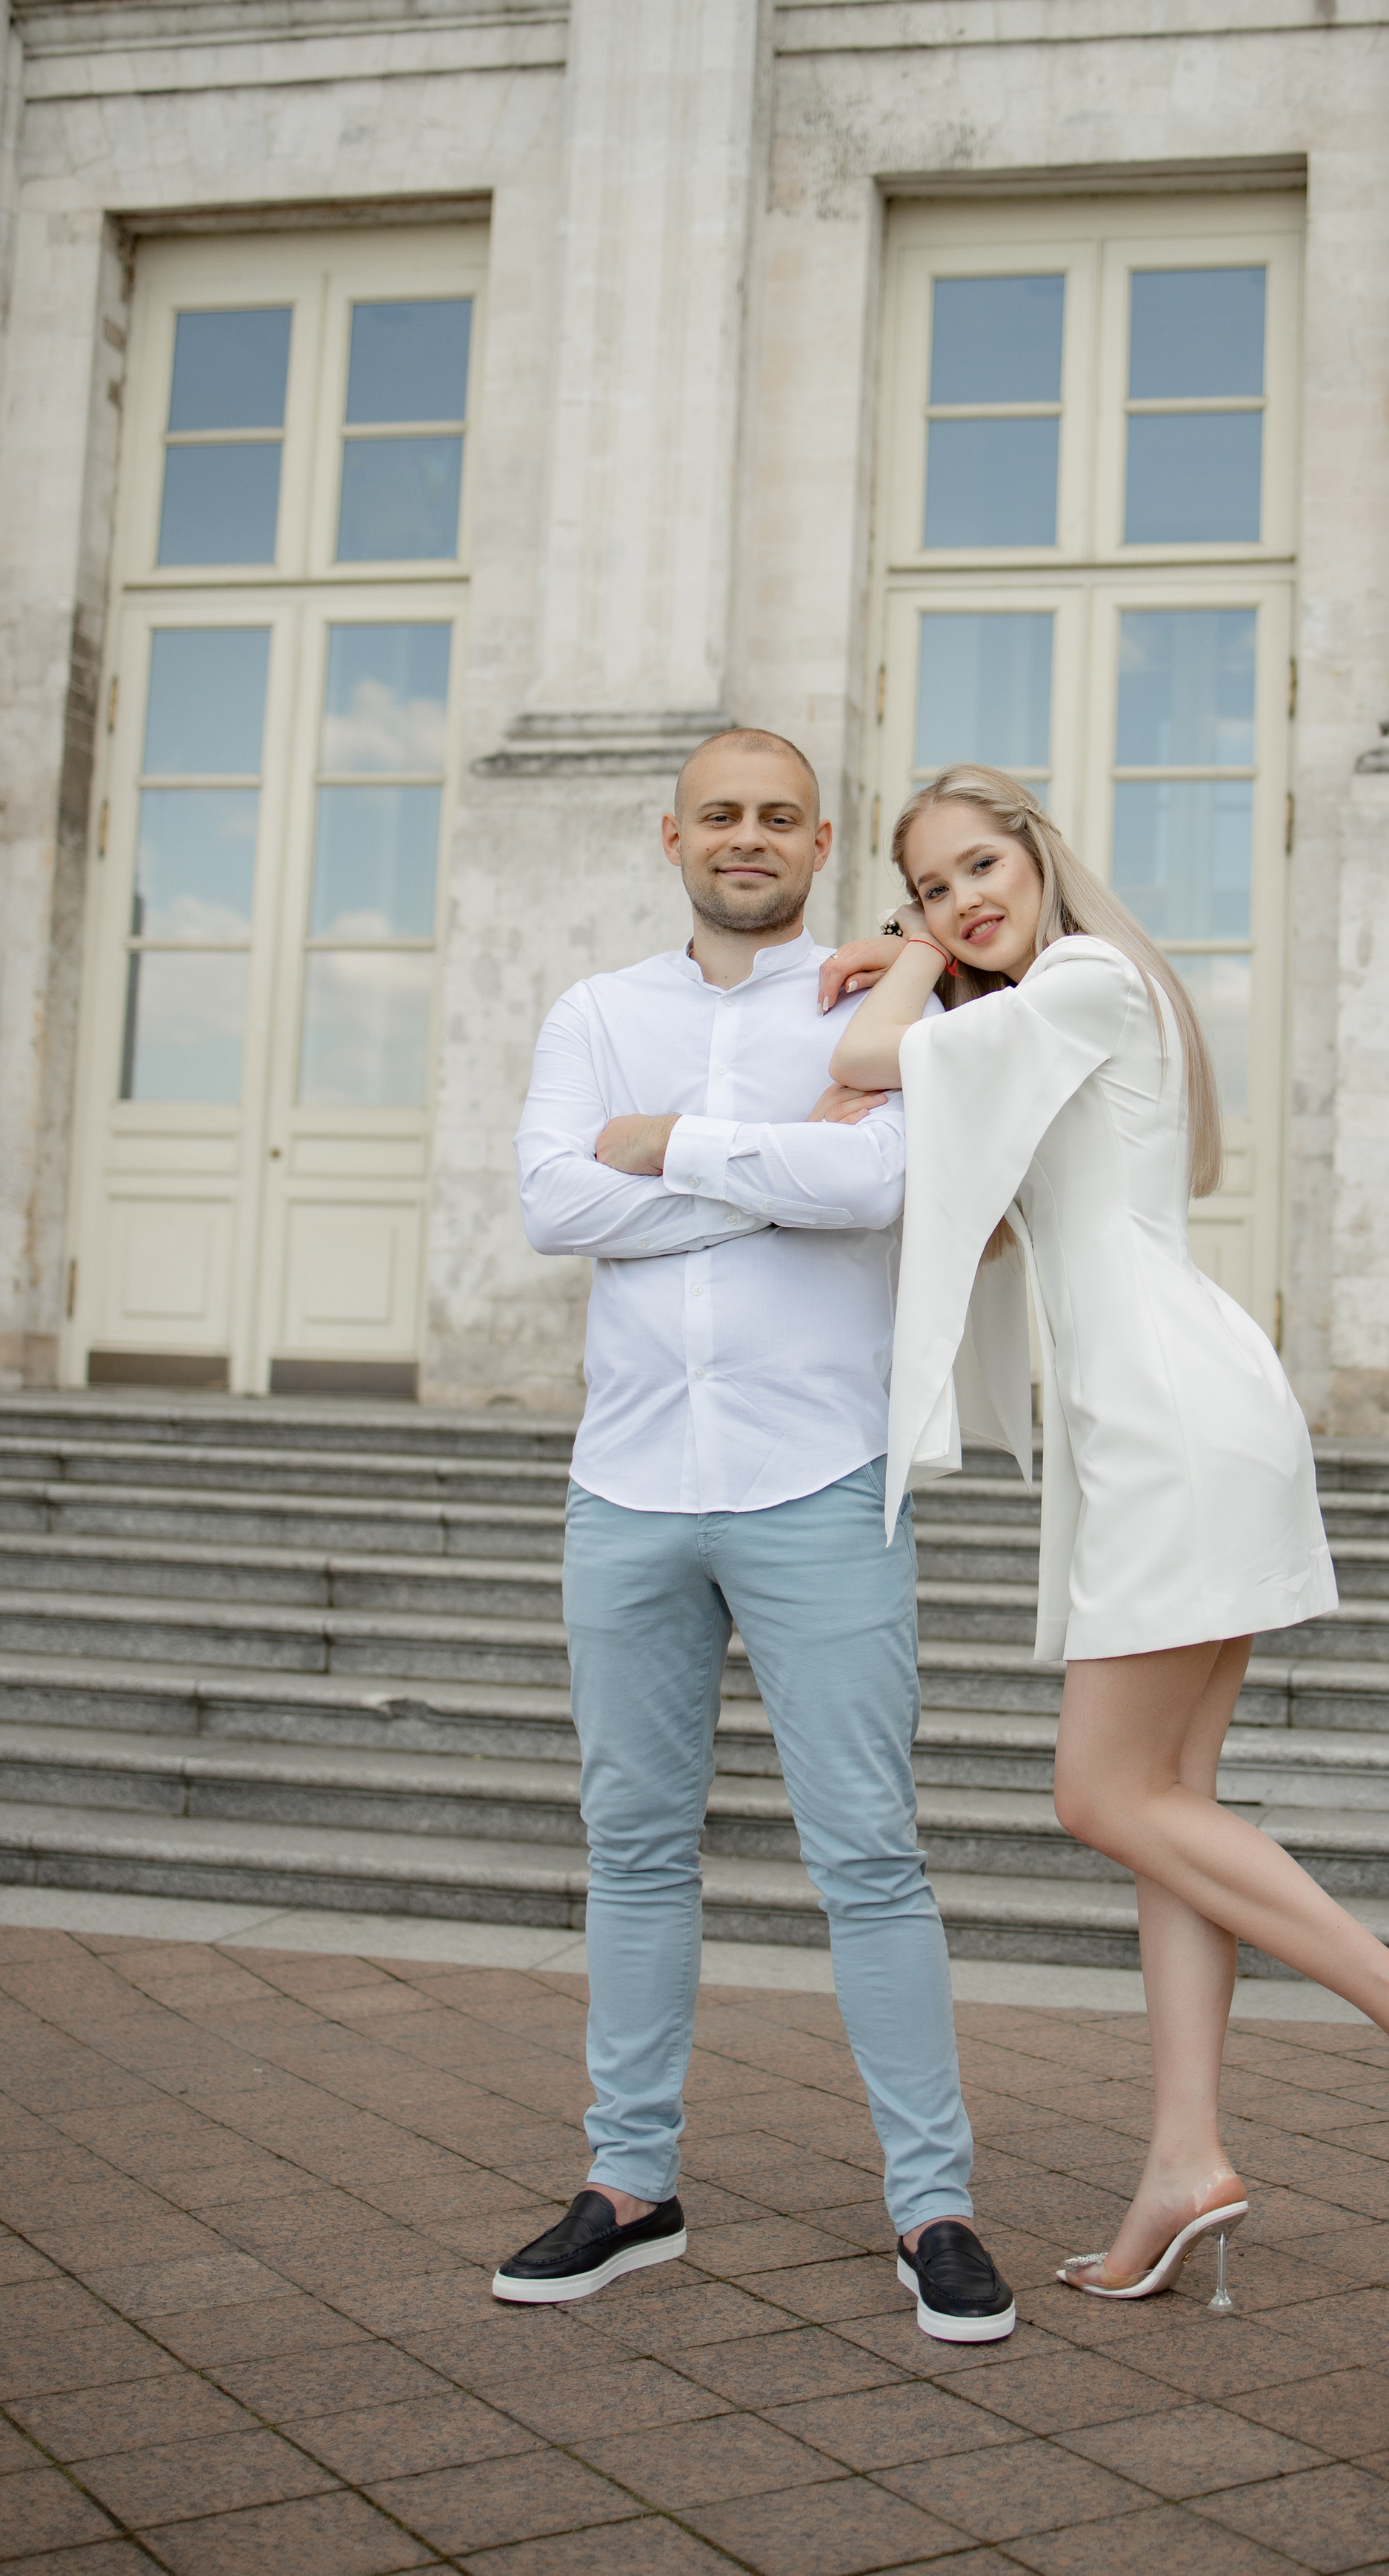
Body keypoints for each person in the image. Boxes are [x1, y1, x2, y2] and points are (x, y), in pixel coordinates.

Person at [823, 763, 1389, 2300]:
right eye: (932, 889)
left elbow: (872, 1056)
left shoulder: (1082, 976)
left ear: (1035, 856)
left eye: (972, 870)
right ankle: (1182, 2161)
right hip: (1153, 1417)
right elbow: (975, 1190)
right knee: (1172, 1819)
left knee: (1098, 1794)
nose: (962, 903)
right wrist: (935, 984)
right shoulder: (1053, 1018)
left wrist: (895, 966)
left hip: (1167, 1418)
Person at [491, 728, 1014, 2343]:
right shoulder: (596, 1014)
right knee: (633, 1850)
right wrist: (777, 1178)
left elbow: (878, 1191)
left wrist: (670, 1151)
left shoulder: (876, 1007)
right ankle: (631, 2184)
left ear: (819, 839)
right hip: (627, 1485)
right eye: (719, 814)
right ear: (670, 834)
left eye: (777, 817)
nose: (747, 837)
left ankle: (931, 2204)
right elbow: (550, 1203)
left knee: (869, 1854)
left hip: (817, 1480)